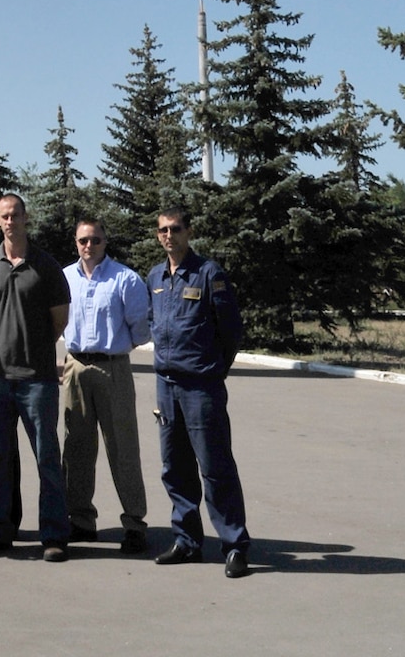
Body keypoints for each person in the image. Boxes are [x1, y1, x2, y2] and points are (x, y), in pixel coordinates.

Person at [145, 205, 250, 578]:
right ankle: (187, 541)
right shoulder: (156, 277)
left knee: (215, 468)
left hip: (200, 386)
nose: (168, 236)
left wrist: (214, 370)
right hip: (166, 385)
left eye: (175, 229)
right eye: (162, 230)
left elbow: (231, 330)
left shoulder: (208, 274)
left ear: (188, 232)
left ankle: (235, 545)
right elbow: (156, 323)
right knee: (175, 468)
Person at [0, 192, 72, 561]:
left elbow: (58, 320)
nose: (10, 221)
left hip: (38, 379)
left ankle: (54, 535)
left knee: (46, 456)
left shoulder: (46, 266)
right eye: (3, 216)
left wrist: (34, 346)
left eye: (15, 214)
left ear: (26, 218)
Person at [60, 216, 151, 552]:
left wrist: (115, 347)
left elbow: (140, 328)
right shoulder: (65, 277)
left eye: (95, 240)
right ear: (76, 242)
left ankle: (135, 524)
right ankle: (81, 521)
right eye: (83, 240)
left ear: (105, 241)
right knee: (77, 448)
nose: (89, 246)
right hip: (75, 368)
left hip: (113, 368)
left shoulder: (125, 279)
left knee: (122, 447)